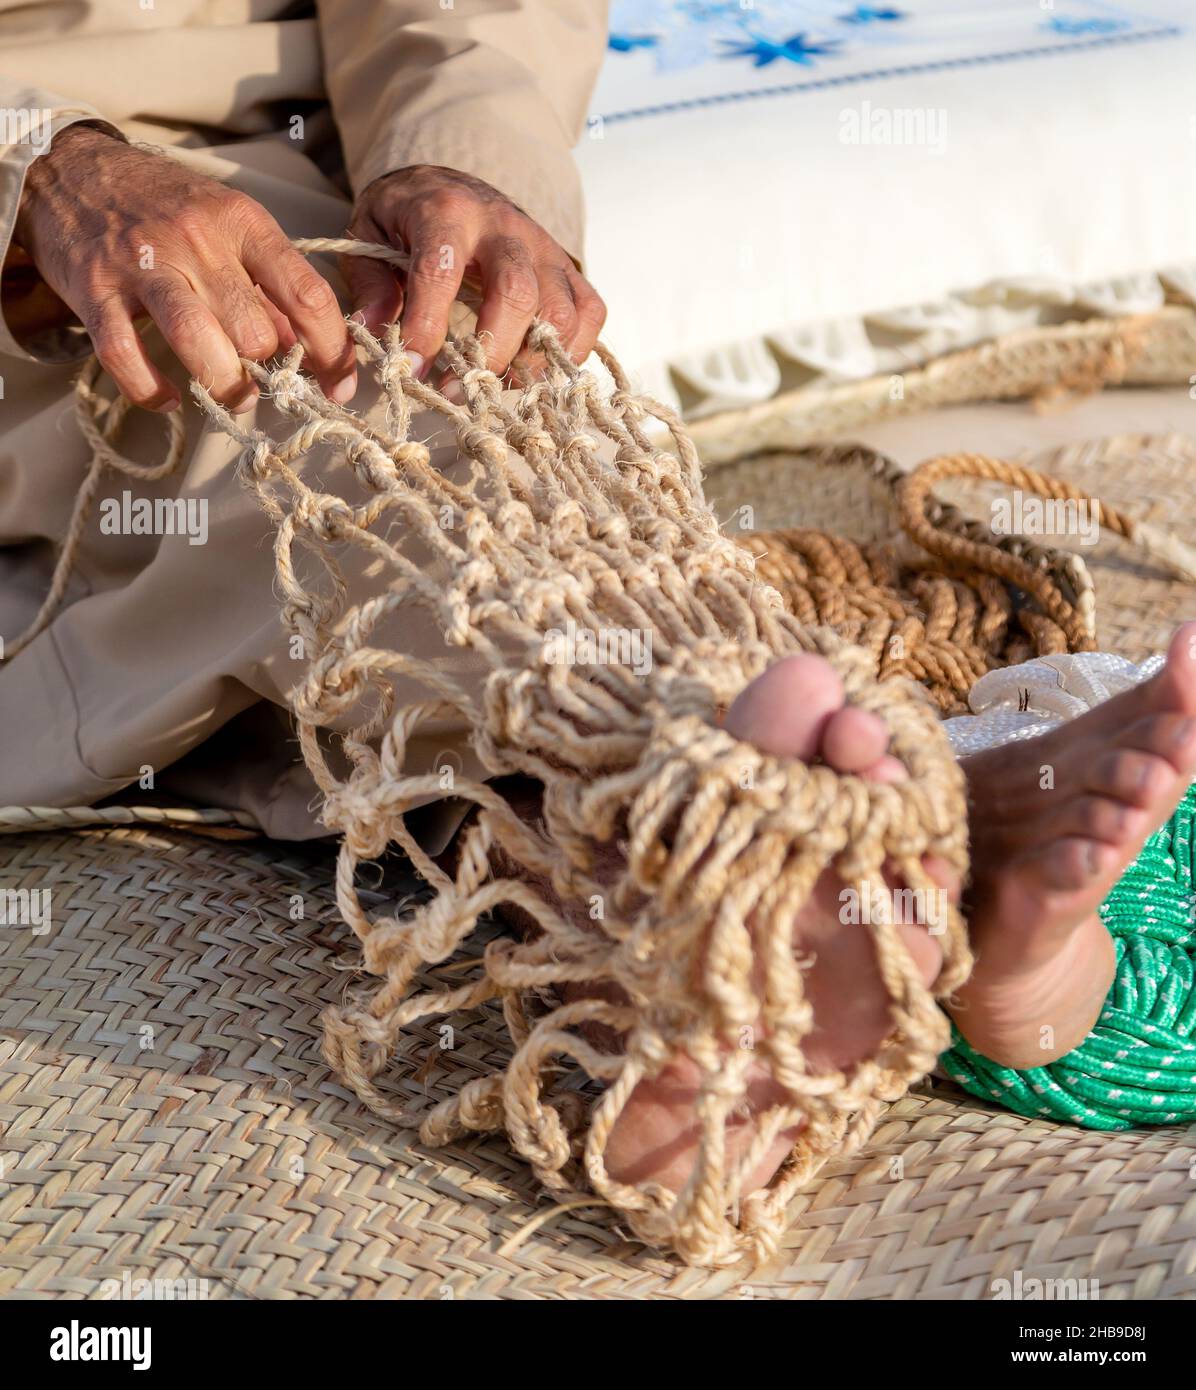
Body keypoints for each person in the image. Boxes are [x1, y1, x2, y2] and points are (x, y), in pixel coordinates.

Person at [3, 0, 1194, 1197]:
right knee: (355, 467)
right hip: (56, 214)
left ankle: (693, 955)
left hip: (297, 162)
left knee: (470, 449)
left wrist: (454, 156)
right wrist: (48, 166)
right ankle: (810, 845)